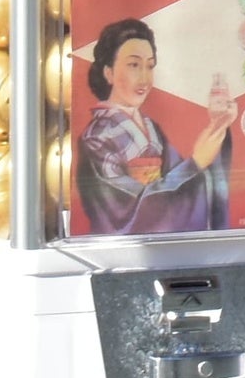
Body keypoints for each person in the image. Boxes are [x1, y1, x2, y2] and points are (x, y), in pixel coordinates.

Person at [73, 17, 232, 235]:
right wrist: (195, 164)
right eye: (134, 65)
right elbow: (129, 211)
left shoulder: (150, 127)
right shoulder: (97, 138)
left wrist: (218, 127)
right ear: (108, 72)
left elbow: (181, 183)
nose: (144, 78)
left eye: (149, 66)